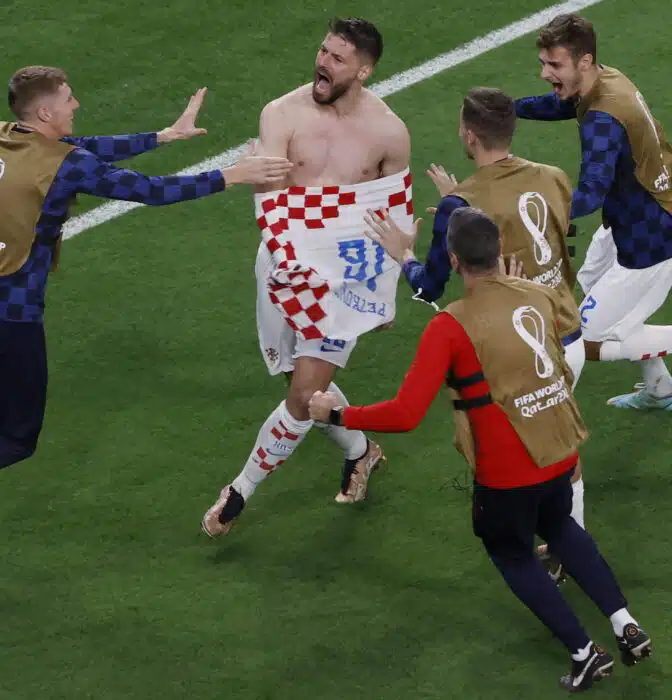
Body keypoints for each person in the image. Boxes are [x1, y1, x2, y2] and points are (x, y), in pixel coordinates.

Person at [310, 206, 652, 691]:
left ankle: (584, 653)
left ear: (453, 261)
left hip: (508, 472)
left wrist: (338, 415)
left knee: (512, 553)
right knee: (561, 527)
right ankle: (625, 624)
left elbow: (405, 414)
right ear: (499, 250)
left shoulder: (449, 327)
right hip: (558, 449)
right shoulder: (537, 294)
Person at [0, 65, 292, 470]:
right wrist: (230, 175)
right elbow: (151, 190)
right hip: (13, 313)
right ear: (45, 113)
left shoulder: (8, 135)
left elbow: (84, 146)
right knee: (17, 439)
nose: (77, 104)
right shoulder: (66, 165)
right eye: (68, 98)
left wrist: (162, 136)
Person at [201, 17, 412, 537]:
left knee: (302, 395)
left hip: (343, 284)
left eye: (338, 58)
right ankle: (361, 451)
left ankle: (239, 492)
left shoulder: (389, 131)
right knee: (299, 382)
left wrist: (385, 290)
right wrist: (284, 254)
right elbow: (270, 198)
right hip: (284, 268)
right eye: (323, 51)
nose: (323, 63)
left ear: (363, 71)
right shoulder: (282, 114)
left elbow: (395, 216)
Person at [369, 87, 585, 577]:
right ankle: (567, 550)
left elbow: (429, 288)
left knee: (518, 462)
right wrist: (462, 199)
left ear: (468, 134)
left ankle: (547, 556)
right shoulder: (552, 176)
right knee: (563, 453)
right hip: (566, 332)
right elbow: (560, 239)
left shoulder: (459, 206)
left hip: (517, 350)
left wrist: (403, 254)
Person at [514, 12, 672, 410]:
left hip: (650, 237)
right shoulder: (604, 80)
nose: (545, 74)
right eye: (543, 63)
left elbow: (590, 192)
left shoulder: (602, 119)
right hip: (633, 216)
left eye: (554, 65)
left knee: (587, 338)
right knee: (593, 289)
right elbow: (562, 105)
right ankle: (661, 388)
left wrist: (540, 214)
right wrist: (509, 109)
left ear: (583, 61)